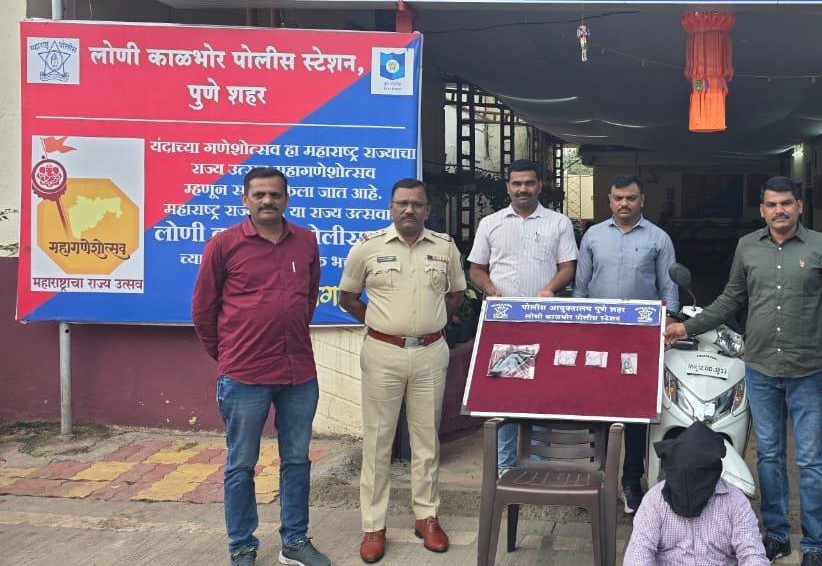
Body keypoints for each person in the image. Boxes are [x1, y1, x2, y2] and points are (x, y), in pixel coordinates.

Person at [665, 176, 822, 566]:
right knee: (768, 455)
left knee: (811, 459)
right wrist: (687, 327)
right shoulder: (748, 246)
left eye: (786, 203)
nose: (779, 210)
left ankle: (814, 544)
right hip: (762, 368)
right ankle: (777, 534)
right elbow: (730, 299)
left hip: (809, 370)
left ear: (799, 206)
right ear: (763, 210)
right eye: (772, 204)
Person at [192, 166, 330, 566]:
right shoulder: (223, 245)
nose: (268, 201)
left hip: (298, 372)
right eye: (259, 195)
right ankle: (242, 546)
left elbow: (308, 297)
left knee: (297, 460)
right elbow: (203, 309)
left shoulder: (305, 240)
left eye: (275, 194)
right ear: (245, 199)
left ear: (287, 198)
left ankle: (295, 541)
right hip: (244, 375)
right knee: (241, 464)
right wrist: (230, 355)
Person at [338, 178, 465, 562]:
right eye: (402, 203)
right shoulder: (368, 246)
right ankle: (373, 526)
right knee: (378, 441)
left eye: (417, 204)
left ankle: (427, 517)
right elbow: (348, 297)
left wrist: (429, 323)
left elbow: (455, 294)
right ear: (391, 208)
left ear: (428, 209)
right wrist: (382, 324)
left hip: (430, 353)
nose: (409, 209)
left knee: (426, 441)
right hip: (383, 353)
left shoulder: (444, 247)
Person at [575, 174, 680, 513]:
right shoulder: (592, 236)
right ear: (609, 200)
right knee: (596, 410)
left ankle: (631, 482)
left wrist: (670, 324)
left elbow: (669, 290)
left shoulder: (659, 239)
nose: (624, 203)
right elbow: (580, 288)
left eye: (631, 198)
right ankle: (597, 480)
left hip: (640, 339)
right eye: (618, 198)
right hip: (598, 336)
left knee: (635, 414)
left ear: (642, 200)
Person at [468, 158, 578, 471]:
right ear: (508, 187)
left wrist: (551, 288)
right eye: (516, 183)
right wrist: (489, 288)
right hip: (505, 323)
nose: (523, 189)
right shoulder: (490, 223)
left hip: (544, 322)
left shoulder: (558, 223)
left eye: (529, 183)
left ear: (539, 186)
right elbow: (476, 269)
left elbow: (568, 266)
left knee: (542, 392)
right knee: (507, 393)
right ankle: (505, 466)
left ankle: (539, 464)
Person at [623, 421, 768, 566]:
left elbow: (753, 555)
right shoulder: (655, 500)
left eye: (696, 478)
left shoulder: (735, 502)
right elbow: (639, 552)